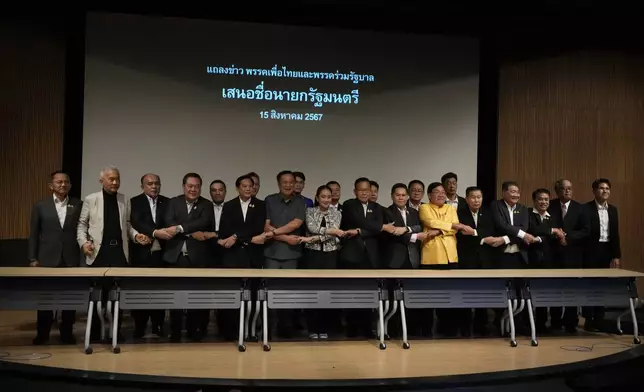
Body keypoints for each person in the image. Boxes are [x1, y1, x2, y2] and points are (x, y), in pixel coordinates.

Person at [28, 171, 83, 345]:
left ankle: (67, 332)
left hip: (71, 258)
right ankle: (42, 333)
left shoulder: (78, 204)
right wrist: (33, 258)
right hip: (47, 259)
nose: (63, 185)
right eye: (59, 182)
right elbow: (34, 234)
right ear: (51, 186)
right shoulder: (40, 206)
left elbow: (82, 231)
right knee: (45, 298)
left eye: (66, 182)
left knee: (69, 298)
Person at [300, 185, 344, 339]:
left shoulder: (337, 213)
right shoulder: (309, 211)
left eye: (328, 197)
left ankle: (324, 327)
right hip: (312, 254)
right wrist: (329, 232)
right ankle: (312, 328)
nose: (326, 200)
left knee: (327, 290)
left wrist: (314, 238)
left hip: (330, 254)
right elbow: (312, 227)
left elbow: (335, 230)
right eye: (323, 197)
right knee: (312, 291)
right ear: (317, 198)